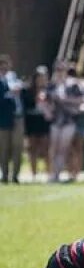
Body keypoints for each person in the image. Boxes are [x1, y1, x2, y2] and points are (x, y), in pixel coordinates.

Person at [48, 61, 84, 183]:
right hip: (55, 120)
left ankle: (58, 174)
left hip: (68, 121)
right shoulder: (52, 85)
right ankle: (53, 174)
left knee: (63, 148)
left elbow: (80, 100)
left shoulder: (73, 85)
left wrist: (65, 100)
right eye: (57, 69)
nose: (59, 72)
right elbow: (45, 100)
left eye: (61, 70)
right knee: (54, 148)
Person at [22, 66, 52, 181]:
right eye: (39, 77)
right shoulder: (28, 91)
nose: (41, 80)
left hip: (44, 122)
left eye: (44, 77)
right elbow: (26, 105)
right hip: (32, 121)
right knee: (32, 148)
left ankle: (49, 174)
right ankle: (34, 174)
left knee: (46, 149)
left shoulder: (50, 90)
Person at [0, 54, 23, 184]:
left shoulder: (14, 77)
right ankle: (4, 175)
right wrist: (9, 94)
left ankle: (15, 176)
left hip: (17, 117)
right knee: (4, 148)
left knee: (17, 147)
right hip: (3, 119)